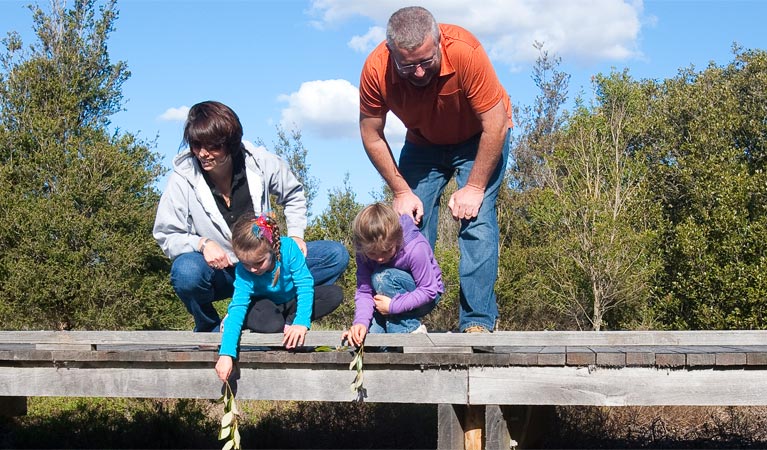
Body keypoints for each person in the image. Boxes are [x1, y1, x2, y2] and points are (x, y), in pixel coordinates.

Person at [358, 7, 512, 333]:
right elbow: (371, 132)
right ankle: (406, 319)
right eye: (408, 65)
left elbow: (495, 124)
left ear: (439, 41)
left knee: (477, 220)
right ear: (391, 54)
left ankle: (477, 323)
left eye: (426, 62)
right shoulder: (376, 69)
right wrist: (401, 191)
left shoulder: (465, 52)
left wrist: (473, 187)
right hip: (423, 144)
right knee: (406, 225)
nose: (417, 73)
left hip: (479, 138)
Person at [153, 100, 349, 332]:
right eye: (196, 145)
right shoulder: (182, 177)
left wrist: (296, 235)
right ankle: (209, 327)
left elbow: (294, 194)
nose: (203, 154)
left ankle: (278, 309)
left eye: (212, 146)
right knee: (185, 272)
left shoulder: (260, 161)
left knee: (336, 255)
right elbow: (167, 234)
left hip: (263, 263)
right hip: (222, 271)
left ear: (230, 143)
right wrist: (202, 243)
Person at [215, 213, 342, 381]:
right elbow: (239, 305)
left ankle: (288, 325)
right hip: (263, 306)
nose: (253, 269)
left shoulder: (288, 248)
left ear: (272, 249)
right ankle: (238, 321)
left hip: (289, 303)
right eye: (246, 264)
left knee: (334, 294)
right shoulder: (243, 272)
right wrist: (226, 354)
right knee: (271, 323)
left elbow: (304, 285)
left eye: (259, 262)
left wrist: (301, 323)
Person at [342, 203, 443, 347]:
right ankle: (388, 347)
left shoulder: (414, 248)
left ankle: (408, 335)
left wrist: (393, 306)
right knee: (372, 340)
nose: (380, 258)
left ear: (397, 238)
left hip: (425, 297)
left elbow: (429, 289)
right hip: (387, 301)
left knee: (382, 277)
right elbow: (364, 291)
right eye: (372, 253)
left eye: (386, 251)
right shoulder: (363, 253)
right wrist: (360, 323)